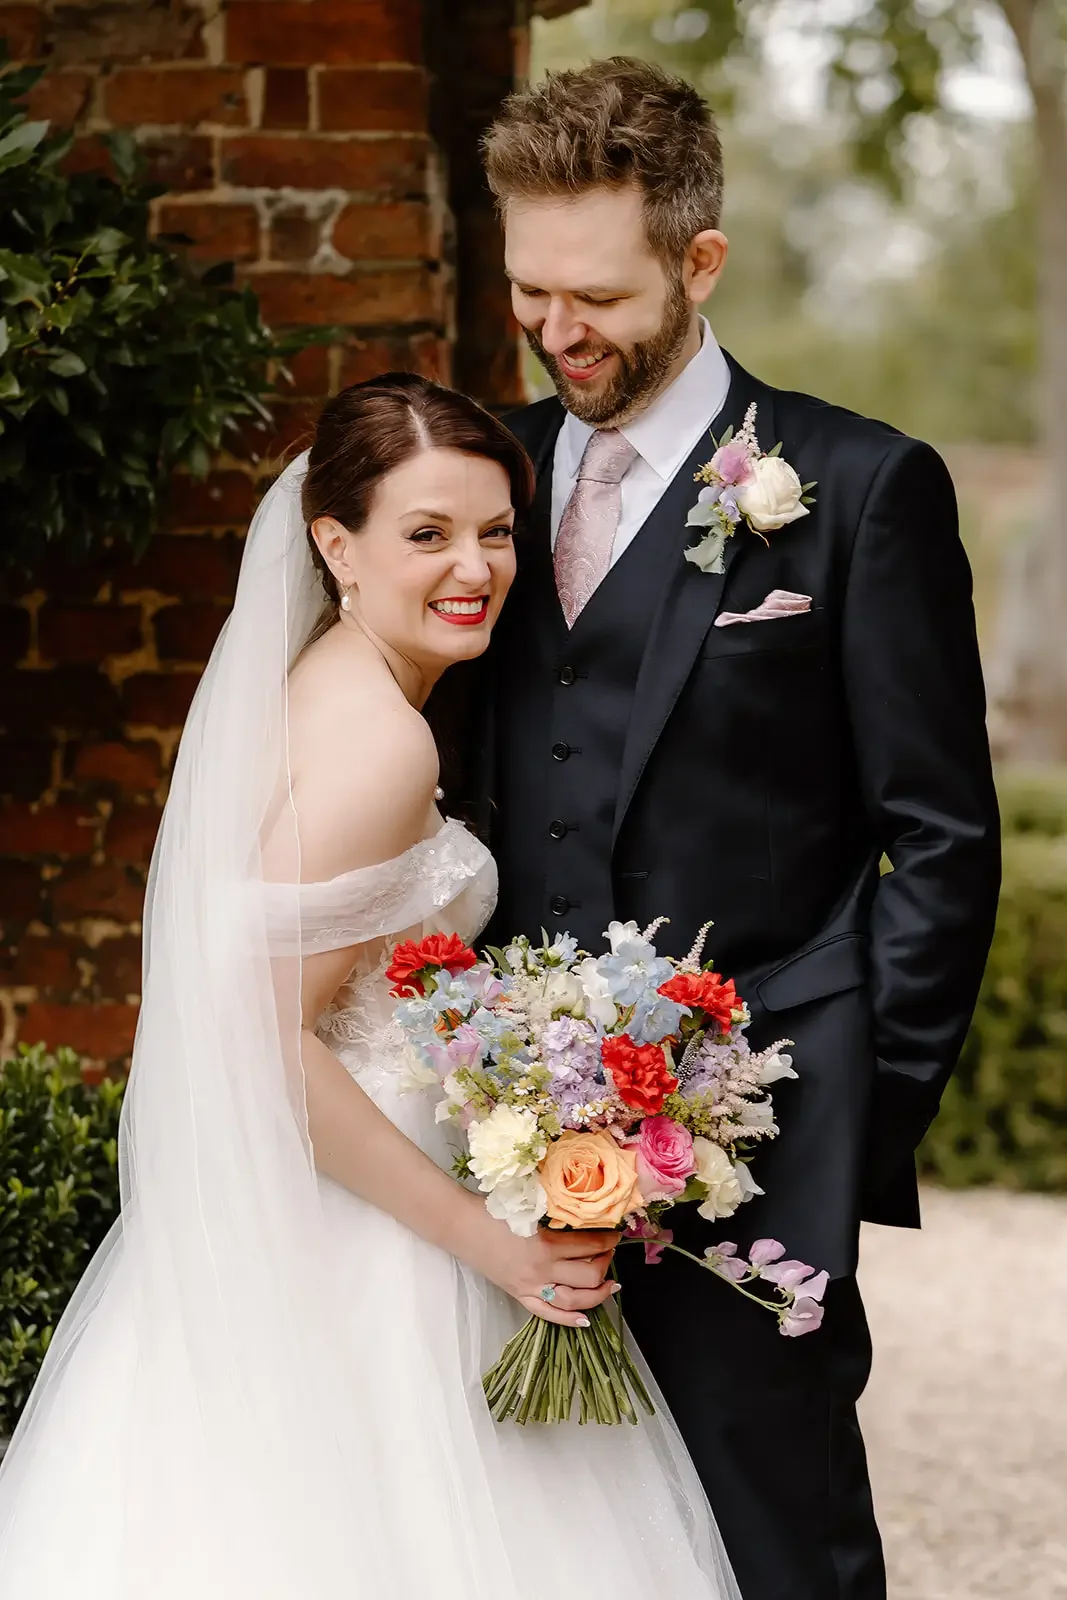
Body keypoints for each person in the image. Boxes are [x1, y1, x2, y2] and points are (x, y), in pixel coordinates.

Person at [0, 374, 741, 1600]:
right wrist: (488, 1245)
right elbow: (263, 1039)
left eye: (496, 531)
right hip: (371, 1241)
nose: (474, 568)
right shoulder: (381, 743)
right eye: (427, 534)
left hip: (347, 1200)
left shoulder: (333, 690)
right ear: (335, 544)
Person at [472, 57, 1002, 1600]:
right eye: (526, 292)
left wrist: (834, 1121)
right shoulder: (476, 482)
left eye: (596, 295)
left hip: (746, 1152)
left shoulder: (854, 488)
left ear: (698, 262)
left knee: (779, 1551)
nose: (558, 332)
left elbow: (940, 844)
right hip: (493, 1144)